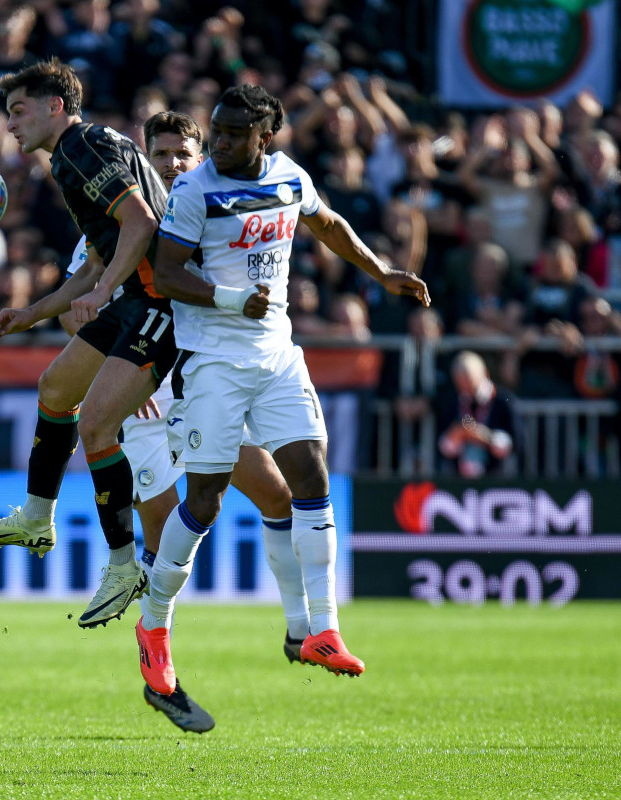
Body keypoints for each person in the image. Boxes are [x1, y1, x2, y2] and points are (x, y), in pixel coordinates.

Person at [137, 84, 429, 695]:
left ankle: (323, 629)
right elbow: (166, 273)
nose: (218, 143)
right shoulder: (195, 191)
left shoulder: (288, 176)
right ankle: (155, 626)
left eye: (233, 135)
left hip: (275, 355)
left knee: (312, 476)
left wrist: (379, 270)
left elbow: (326, 223)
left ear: (264, 139)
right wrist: (229, 299)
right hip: (211, 362)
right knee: (207, 502)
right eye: (215, 131)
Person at [57, 110, 304, 733]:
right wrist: (121, 371)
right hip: (140, 402)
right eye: (159, 151)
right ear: (144, 155)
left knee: (276, 493)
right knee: (167, 533)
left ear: (202, 158)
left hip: (199, 388)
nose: (170, 162)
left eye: (182, 153)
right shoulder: (119, 217)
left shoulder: (218, 221)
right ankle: (158, 667)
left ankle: (304, 629)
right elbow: (74, 309)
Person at [0, 59, 170, 630]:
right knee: (55, 388)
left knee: (98, 425)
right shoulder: (80, 152)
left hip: (161, 304)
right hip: (130, 295)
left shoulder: (81, 149)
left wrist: (101, 293)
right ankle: (35, 517)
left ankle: (126, 565)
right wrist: (31, 312)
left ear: (56, 106)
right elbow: (100, 256)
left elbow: (142, 223)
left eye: (18, 111)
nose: (10, 125)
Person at [435, 352, 519, 478]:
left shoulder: (504, 401)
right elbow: (444, 447)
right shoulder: (452, 402)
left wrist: (485, 437)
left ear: (484, 374)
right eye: (460, 383)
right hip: (460, 480)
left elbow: (515, 445)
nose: (466, 388)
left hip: (498, 479)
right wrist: (457, 434)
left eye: (469, 381)